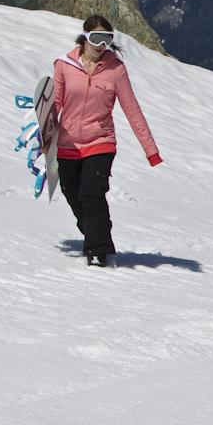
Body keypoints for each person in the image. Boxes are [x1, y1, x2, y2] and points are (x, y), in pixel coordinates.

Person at [52, 16, 162, 267]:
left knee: (92, 193)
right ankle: (96, 234)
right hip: (67, 143)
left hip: (100, 141)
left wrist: (151, 151)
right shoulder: (63, 65)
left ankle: (97, 250)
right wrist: (43, 135)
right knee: (73, 195)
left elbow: (132, 110)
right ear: (85, 37)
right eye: (96, 38)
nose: (102, 45)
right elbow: (54, 104)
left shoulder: (115, 69)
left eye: (107, 39)